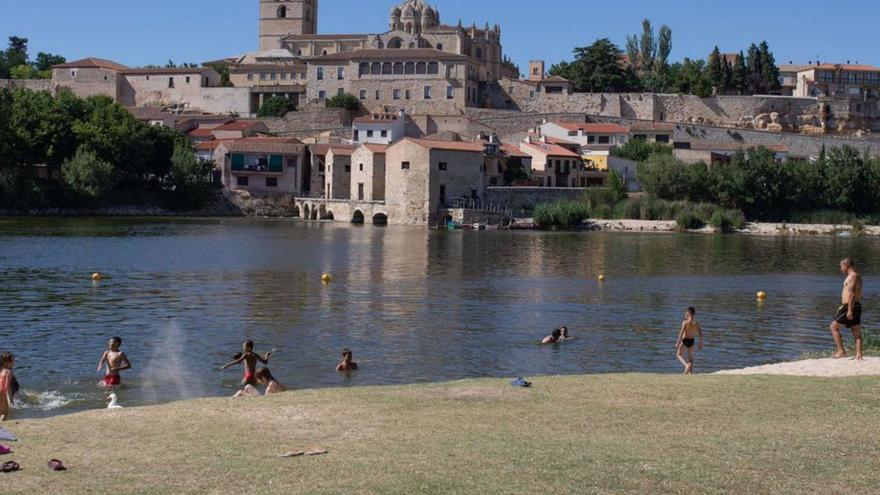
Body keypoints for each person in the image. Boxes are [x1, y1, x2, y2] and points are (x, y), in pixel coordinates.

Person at [831, 258, 864, 360]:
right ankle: (858, 355)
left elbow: (852, 294)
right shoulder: (856, 276)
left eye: (841, 266)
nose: (841, 269)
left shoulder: (852, 277)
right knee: (856, 330)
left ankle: (841, 351)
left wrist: (849, 309)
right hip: (855, 305)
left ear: (846, 265)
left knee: (833, 327)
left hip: (850, 306)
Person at [676, 307, 703, 375]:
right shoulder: (696, 323)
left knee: (678, 354)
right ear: (694, 314)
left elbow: (681, 332)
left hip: (685, 340)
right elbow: (700, 334)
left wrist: (678, 342)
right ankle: (691, 373)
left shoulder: (685, 322)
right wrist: (700, 343)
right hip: (692, 341)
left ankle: (686, 365)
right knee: (690, 358)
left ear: (688, 314)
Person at [0, 353, 19, 421]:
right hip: (2, 392)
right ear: (6, 362)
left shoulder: (1, 370)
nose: (14, 362)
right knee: (5, 413)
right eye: (12, 361)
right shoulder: (8, 372)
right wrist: (10, 398)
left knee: (1, 411)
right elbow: (6, 386)